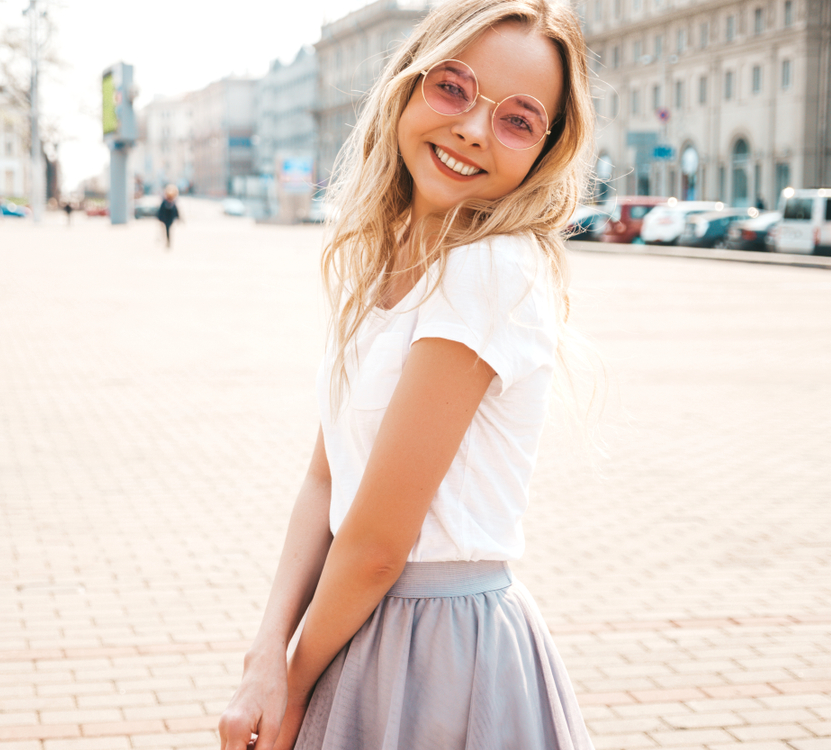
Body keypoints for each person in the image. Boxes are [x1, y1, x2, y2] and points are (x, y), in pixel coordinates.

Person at [219, 1, 596, 748]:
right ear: (409, 83)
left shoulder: (490, 268)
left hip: (440, 654)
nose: (471, 129)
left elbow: (379, 541)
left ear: (546, 149)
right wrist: (267, 652)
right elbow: (327, 480)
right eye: (453, 87)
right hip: (361, 626)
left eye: (517, 119)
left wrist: (290, 686)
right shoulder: (381, 261)